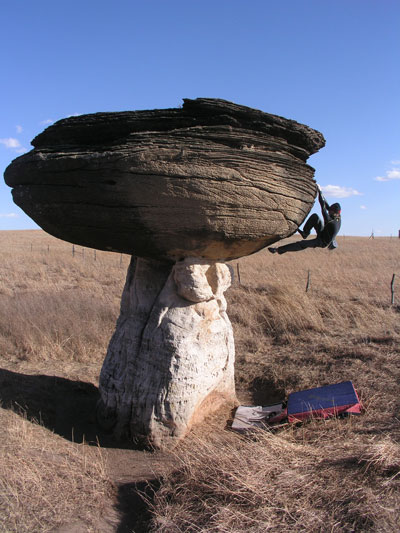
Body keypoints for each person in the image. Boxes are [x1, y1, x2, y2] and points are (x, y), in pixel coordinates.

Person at [268, 185, 341, 254]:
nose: (329, 212)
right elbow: (326, 205)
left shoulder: (330, 220)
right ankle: (305, 233)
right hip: (324, 232)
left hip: (322, 241)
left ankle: (278, 250)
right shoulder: (336, 215)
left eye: (330, 211)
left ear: (333, 212)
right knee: (315, 217)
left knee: (302, 244)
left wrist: (320, 192)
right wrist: (319, 192)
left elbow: (323, 206)